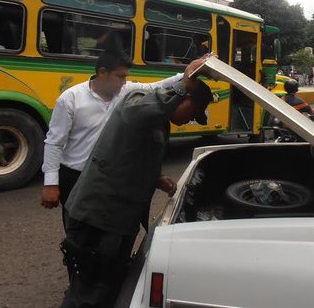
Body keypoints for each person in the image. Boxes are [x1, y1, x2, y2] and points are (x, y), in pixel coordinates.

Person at [60, 57, 213, 307]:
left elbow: (129, 156)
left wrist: (156, 179)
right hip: (98, 217)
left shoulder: (157, 122)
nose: (190, 120)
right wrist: (182, 83)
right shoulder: (137, 101)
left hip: (119, 219)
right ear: (184, 97)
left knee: (111, 284)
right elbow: (137, 113)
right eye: (194, 112)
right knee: (89, 291)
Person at [40, 51, 186, 226]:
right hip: (76, 176)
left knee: (105, 229)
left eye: (125, 77)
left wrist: (190, 72)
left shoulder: (125, 91)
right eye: (120, 76)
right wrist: (51, 184)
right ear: (102, 72)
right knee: (77, 231)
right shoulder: (70, 99)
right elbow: (54, 143)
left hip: (109, 177)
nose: (124, 82)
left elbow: (156, 87)